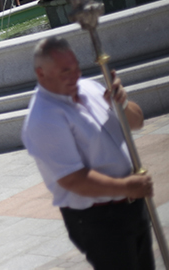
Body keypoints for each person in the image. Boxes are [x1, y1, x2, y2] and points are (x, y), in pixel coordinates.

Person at [21, 37, 153, 270]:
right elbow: (73, 179)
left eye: (76, 67)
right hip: (100, 220)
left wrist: (121, 104)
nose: (74, 75)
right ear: (41, 74)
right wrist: (127, 186)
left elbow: (137, 121)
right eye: (65, 71)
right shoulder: (44, 118)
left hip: (130, 205)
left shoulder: (88, 87)